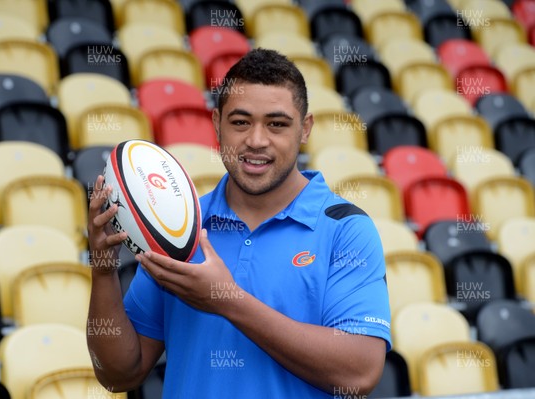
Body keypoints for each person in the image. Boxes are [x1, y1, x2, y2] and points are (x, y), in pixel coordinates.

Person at [87, 48, 391, 398]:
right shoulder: (179, 228)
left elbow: (360, 372)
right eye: (240, 122)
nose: (256, 140)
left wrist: (227, 300)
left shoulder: (345, 229)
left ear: (305, 129)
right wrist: (103, 269)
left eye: (277, 124)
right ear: (217, 124)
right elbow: (118, 375)